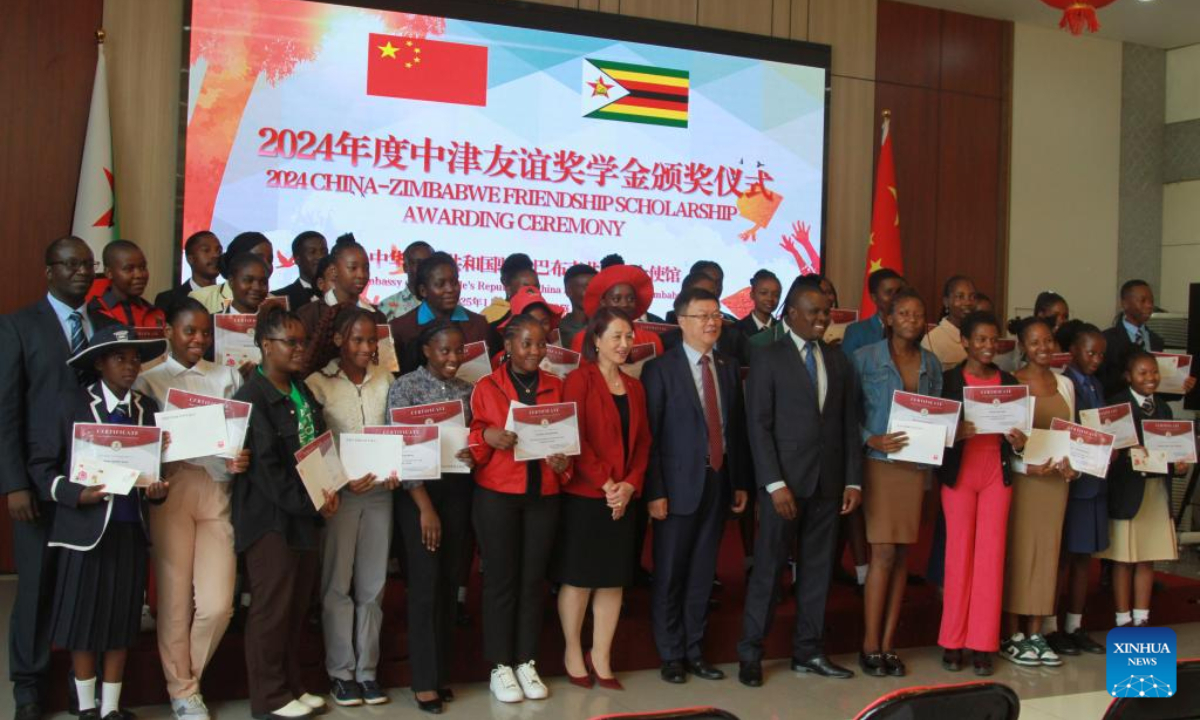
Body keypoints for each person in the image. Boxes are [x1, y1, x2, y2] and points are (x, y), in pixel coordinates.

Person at [28, 325, 171, 720]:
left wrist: (158, 491)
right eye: (119, 358)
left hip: (130, 529)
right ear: (99, 364)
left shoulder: (147, 408)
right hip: (85, 533)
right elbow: (42, 468)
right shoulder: (71, 403)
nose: (130, 366)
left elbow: (152, 474)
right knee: (83, 619)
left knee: (121, 619)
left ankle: (110, 708)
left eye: (135, 359)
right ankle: (87, 706)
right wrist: (78, 495)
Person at [737, 283, 859, 687]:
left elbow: (847, 424)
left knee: (818, 571)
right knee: (768, 571)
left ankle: (809, 651)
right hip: (783, 486)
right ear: (791, 313)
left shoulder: (837, 359)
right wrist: (774, 484)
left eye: (826, 312)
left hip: (827, 483)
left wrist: (852, 480)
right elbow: (758, 425)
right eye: (814, 312)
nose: (822, 319)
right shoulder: (768, 356)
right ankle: (751, 653)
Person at [133, 299, 248, 720]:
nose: (199, 339)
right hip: (173, 489)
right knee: (175, 601)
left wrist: (240, 457)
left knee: (218, 604)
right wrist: (155, 450)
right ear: (169, 331)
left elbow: (238, 435)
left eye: (204, 332)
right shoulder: (149, 380)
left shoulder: (227, 376)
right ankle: (182, 693)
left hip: (217, 489)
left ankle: (187, 682)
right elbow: (139, 444)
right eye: (189, 331)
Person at [0, 236, 97, 720]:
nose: (81, 271)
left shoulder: (104, 327)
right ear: (49, 271)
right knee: (37, 588)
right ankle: (29, 689)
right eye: (70, 264)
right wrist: (14, 483)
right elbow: (6, 410)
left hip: (94, 483)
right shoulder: (18, 326)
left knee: (82, 588)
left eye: (87, 264)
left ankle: (83, 687)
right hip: (38, 485)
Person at [232, 307, 340, 720]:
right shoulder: (252, 397)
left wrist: (330, 487)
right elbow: (266, 470)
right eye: (290, 342)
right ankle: (269, 698)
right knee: (271, 609)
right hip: (271, 519)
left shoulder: (301, 390)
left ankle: (292, 685)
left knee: (295, 607)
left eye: (302, 342)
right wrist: (312, 501)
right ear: (266, 345)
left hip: (306, 512)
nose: (299, 349)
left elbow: (318, 444)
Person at [643, 288, 749, 684]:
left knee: (703, 573)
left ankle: (694, 650)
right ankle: (671, 654)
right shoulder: (660, 369)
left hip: (718, 481)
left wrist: (739, 481)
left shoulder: (727, 365)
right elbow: (651, 437)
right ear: (681, 321)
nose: (712, 322)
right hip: (676, 487)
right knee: (671, 573)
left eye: (716, 315)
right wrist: (655, 490)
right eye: (703, 315)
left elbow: (734, 429)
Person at [468, 315, 570, 703]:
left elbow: (567, 442)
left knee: (532, 581)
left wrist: (563, 462)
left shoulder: (556, 386)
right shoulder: (487, 386)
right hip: (498, 495)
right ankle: (500, 666)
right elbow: (473, 440)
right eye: (526, 343)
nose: (534, 351)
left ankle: (526, 661)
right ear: (508, 346)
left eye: (541, 344)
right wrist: (487, 436)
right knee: (501, 581)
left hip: (543, 495)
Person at [554, 308, 651, 691]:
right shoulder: (579, 380)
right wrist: (607, 483)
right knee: (579, 579)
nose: (625, 344)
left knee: (613, 580)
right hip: (586, 496)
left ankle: (602, 655)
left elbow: (643, 443)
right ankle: (572, 651)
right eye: (616, 337)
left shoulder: (635, 387)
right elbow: (574, 437)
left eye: (629, 337)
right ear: (596, 340)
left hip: (623, 497)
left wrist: (629, 485)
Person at [304, 307, 396, 708]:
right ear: (339, 340)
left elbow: (398, 435)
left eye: (371, 340)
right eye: (357, 339)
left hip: (380, 494)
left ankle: (367, 672)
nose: (366, 347)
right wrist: (339, 479)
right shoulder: (317, 383)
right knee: (337, 586)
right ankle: (341, 673)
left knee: (373, 586)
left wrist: (398, 469)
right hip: (339, 495)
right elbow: (312, 445)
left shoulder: (386, 379)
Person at [387, 320, 477, 714]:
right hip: (418, 495)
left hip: (457, 491)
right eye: (445, 350)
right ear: (427, 350)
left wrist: (473, 451)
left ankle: (440, 674)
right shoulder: (404, 388)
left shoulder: (467, 391)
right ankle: (423, 681)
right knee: (424, 585)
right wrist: (424, 507)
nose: (454, 357)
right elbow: (401, 450)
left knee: (448, 583)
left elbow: (474, 442)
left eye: (459, 350)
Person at [852, 288, 942, 677]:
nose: (911, 320)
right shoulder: (864, 358)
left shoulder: (932, 363)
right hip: (878, 464)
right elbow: (847, 412)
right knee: (884, 552)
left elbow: (938, 415)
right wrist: (869, 438)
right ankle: (869, 645)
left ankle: (889, 645)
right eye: (903, 313)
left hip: (914, 466)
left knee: (903, 554)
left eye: (917, 314)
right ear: (888, 318)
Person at [937, 311, 1028, 677]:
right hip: (960, 474)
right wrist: (953, 433)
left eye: (993, 340)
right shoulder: (948, 380)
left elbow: (1020, 438)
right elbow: (933, 431)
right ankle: (952, 640)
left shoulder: (1010, 382)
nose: (989, 346)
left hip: (995, 475)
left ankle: (982, 644)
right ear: (965, 342)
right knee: (958, 557)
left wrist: (1019, 441)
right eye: (981, 339)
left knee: (990, 559)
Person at [1000, 317, 1078, 668]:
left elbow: (1072, 435)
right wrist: (1025, 467)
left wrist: (1074, 465)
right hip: (1024, 483)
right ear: (1022, 346)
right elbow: (1004, 445)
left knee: (1048, 555)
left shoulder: (1065, 384)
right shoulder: (1012, 383)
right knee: (1018, 554)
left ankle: (1036, 633)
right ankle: (1012, 635)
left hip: (1055, 485)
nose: (1043, 348)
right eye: (1035, 342)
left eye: (1048, 341)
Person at [1096, 350, 1189, 628]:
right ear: (1128, 376)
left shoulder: (1164, 408)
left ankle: (1142, 618)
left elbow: (1172, 450)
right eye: (1143, 372)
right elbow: (1105, 453)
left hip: (1155, 490)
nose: (1150, 378)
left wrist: (1179, 464)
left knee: (1147, 556)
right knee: (1124, 558)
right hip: (1127, 492)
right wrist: (1126, 453)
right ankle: (1122, 618)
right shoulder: (1115, 407)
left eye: (1154, 372)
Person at [1045, 320, 1108, 656]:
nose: (1096, 360)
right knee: (1062, 557)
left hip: (1094, 480)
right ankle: (1050, 626)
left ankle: (1074, 625)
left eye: (1101, 355)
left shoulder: (1096, 385)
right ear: (1073, 352)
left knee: (1084, 557)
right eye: (1090, 353)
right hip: (1070, 480)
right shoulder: (1064, 383)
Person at [296, 234, 386, 376]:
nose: (361, 274)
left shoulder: (377, 316)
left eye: (366, 268)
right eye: (353, 268)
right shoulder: (308, 314)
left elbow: (385, 364)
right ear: (334, 271)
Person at [390, 252, 495, 374]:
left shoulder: (479, 325)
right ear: (423, 290)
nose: (450, 289)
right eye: (440, 285)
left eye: (454, 283)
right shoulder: (400, 329)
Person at [1098, 280, 1195, 398]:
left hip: (1150, 408)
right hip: (1120, 406)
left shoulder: (1156, 340)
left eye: (1151, 301)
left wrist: (1181, 386)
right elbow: (1100, 385)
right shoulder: (1106, 339)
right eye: (1143, 300)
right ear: (1125, 304)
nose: (1149, 305)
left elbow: (1158, 391)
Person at [569, 264, 664, 357]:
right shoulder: (583, 340)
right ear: (603, 302)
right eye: (616, 299)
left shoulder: (651, 339)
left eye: (631, 299)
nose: (625, 304)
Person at [88, 240, 166, 330]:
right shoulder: (93, 313)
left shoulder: (155, 314)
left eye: (142, 267)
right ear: (109, 273)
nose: (139, 275)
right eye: (129, 269)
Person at [190, 232, 274, 313]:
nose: (266, 265)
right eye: (258, 259)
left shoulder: (275, 303)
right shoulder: (200, 299)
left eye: (270, 260)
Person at [842, 268, 905, 359]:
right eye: (889, 292)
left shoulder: (909, 328)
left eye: (899, 292)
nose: (896, 297)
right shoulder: (856, 332)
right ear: (874, 297)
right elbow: (847, 365)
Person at [154, 231, 222, 315]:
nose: (215, 255)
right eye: (206, 250)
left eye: (219, 251)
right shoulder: (168, 300)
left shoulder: (231, 297)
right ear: (190, 259)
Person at [923, 275, 977, 371]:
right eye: (960, 297)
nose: (968, 302)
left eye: (972, 296)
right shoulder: (932, 340)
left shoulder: (979, 334)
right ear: (946, 302)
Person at [378, 241, 433, 322]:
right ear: (405, 267)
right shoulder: (387, 306)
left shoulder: (446, 303)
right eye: (418, 263)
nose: (423, 268)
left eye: (428, 263)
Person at [482, 253, 539, 326]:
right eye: (526, 287)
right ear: (507, 285)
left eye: (536, 286)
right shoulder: (489, 315)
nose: (532, 291)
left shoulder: (543, 313)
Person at [275, 231, 328, 310]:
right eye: (312, 252)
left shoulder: (341, 292)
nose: (320, 256)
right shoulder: (280, 298)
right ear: (297, 259)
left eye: (324, 252)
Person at [558, 263, 598, 350]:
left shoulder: (606, 324)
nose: (592, 292)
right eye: (586, 287)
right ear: (568, 291)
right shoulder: (558, 329)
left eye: (595, 287)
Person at [733, 270, 781, 341]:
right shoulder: (736, 330)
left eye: (776, 294)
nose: (770, 298)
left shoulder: (783, 329)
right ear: (752, 294)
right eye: (763, 293)